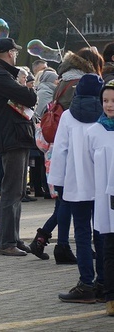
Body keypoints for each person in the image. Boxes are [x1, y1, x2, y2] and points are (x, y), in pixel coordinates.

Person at [47, 74, 105, 302]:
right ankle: (103, 282)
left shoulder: (69, 116)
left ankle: (86, 284)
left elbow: (59, 150)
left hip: (76, 183)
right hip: (101, 183)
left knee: (81, 234)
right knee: (101, 234)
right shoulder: (105, 115)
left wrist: (58, 182)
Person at [0, 38, 38, 256]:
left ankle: (13, 238)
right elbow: (29, 98)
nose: (16, 55)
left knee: (17, 190)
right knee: (11, 191)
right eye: (14, 52)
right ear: (8, 53)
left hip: (15, 135)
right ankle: (6, 242)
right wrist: (26, 85)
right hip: (11, 136)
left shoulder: (3, 74)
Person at [89, 81, 114, 316]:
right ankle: (111, 297)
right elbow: (90, 163)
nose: (109, 105)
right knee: (108, 248)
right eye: (105, 101)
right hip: (106, 203)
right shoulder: (94, 131)